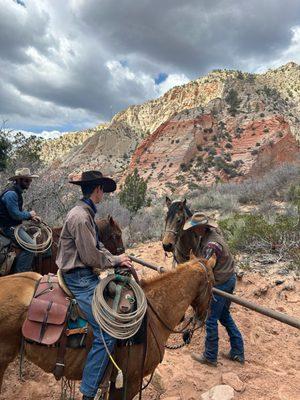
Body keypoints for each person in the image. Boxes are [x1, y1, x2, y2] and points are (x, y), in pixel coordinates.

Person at [56, 170, 132, 400]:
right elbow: (90, 256)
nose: (104, 195)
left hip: (84, 275)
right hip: (79, 279)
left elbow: (98, 246)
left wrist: (115, 257)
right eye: (103, 191)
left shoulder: (85, 213)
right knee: (106, 331)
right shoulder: (81, 217)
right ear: (97, 190)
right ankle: (88, 392)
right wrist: (116, 260)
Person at [182, 212, 244, 367]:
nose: (194, 231)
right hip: (228, 278)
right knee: (224, 315)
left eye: (195, 228)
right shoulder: (212, 234)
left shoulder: (211, 245)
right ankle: (237, 352)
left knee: (211, 319)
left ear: (201, 228)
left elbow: (207, 267)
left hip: (221, 282)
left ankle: (210, 357)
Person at [0, 167, 41, 273]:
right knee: (31, 246)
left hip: (12, 225)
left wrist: (31, 217)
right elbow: (16, 215)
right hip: (8, 227)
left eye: (30, 180)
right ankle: (20, 273)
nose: (29, 182)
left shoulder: (16, 193)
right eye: (26, 180)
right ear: (18, 180)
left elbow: (17, 211)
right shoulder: (11, 194)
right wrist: (29, 214)